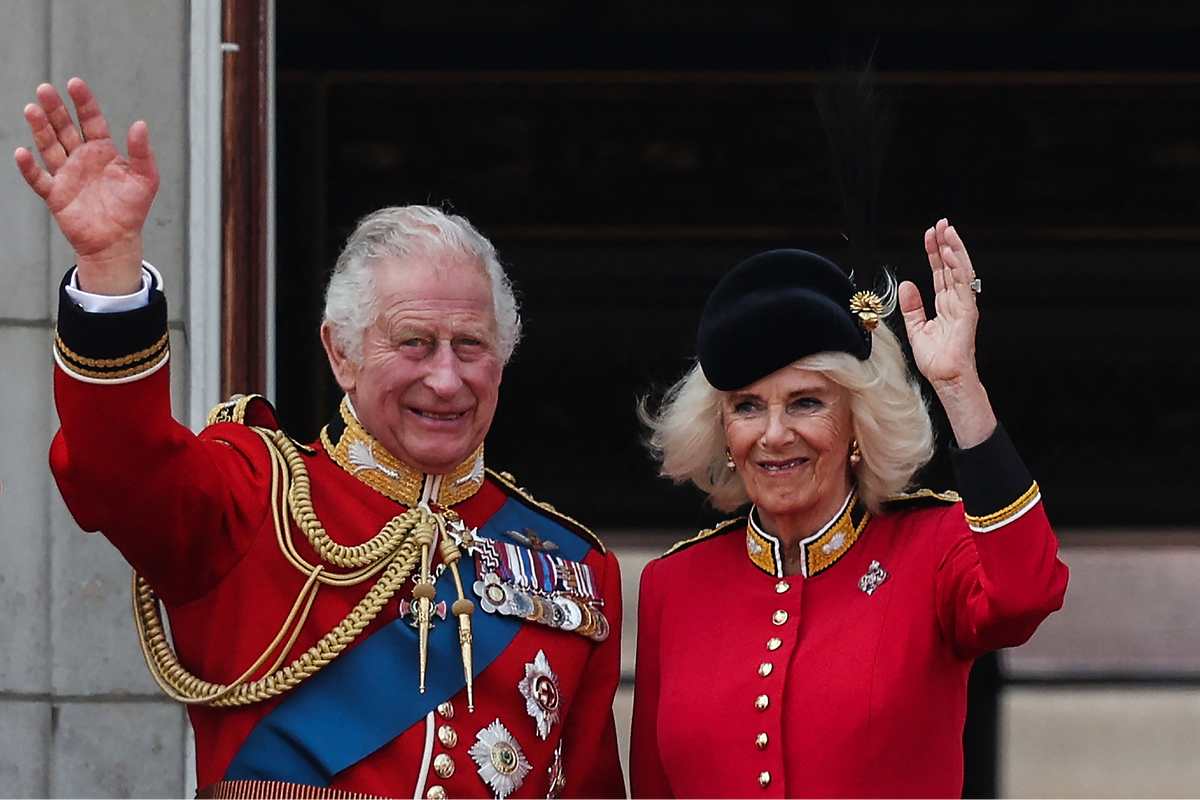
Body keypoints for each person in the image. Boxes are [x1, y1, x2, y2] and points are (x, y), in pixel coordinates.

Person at [16, 77, 626, 800]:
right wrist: (111, 270)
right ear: (341, 354)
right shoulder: (251, 499)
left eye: (471, 345)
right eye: (414, 342)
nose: (445, 378)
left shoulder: (573, 569)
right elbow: (117, 468)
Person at [631, 228, 1069, 799]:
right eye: (747, 408)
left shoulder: (931, 547)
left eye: (806, 402)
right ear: (721, 430)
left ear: (858, 423)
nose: (775, 434)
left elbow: (1026, 594)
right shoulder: (674, 585)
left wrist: (960, 387)